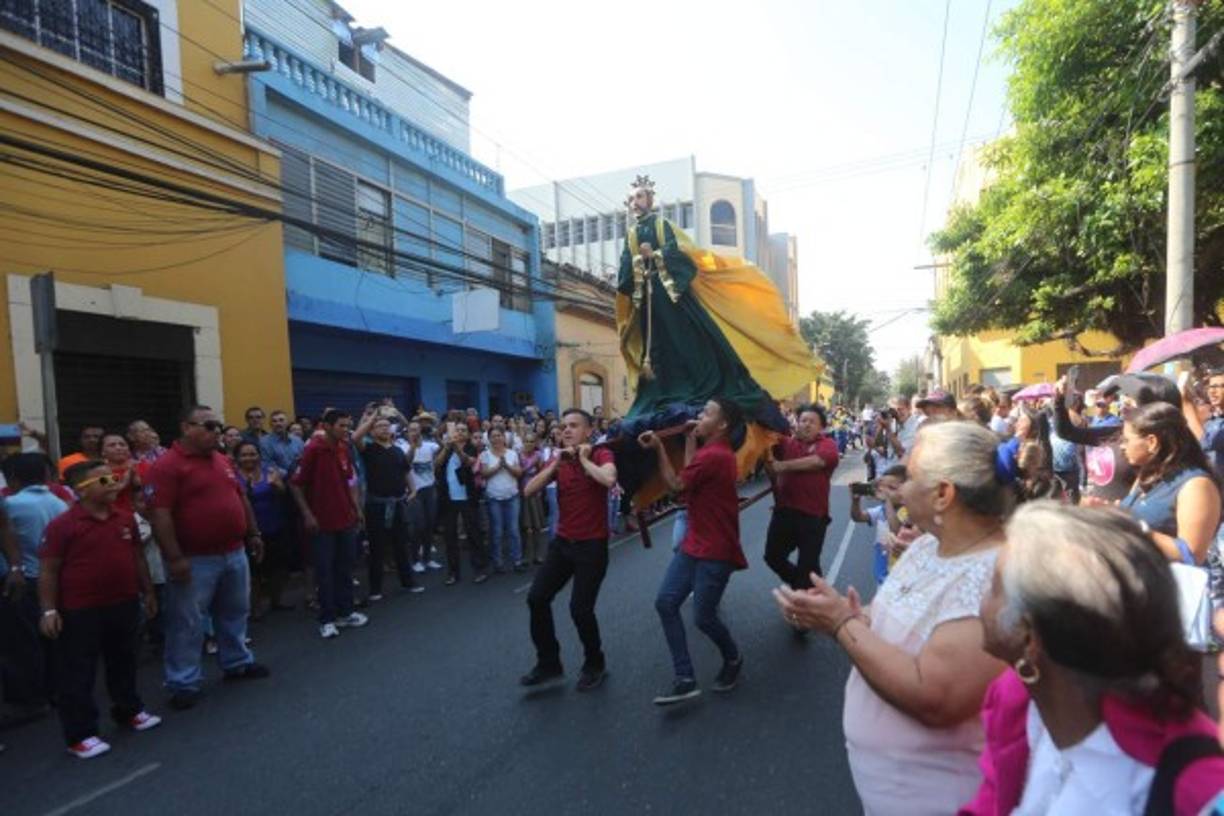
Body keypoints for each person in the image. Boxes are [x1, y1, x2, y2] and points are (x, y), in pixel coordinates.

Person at [773, 421, 1010, 814]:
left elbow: (935, 697)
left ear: (943, 494)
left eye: (911, 476)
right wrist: (845, 612)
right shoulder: (926, 546)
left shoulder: (996, 576)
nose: (899, 485)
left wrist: (841, 624)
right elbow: (891, 617)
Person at [965, 503, 1224, 814]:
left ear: (1029, 638)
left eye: (994, 587)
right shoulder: (1017, 700)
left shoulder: (1187, 784)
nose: (982, 599)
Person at [146, 406, 270, 709]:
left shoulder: (222, 459)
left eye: (219, 426)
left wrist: (253, 532)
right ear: (186, 427)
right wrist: (174, 558)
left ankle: (236, 661)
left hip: (233, 551)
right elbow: (160, 514)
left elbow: (239, 497)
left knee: (234, 611)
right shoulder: (167, 466)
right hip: (195, 557)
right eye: (209, 426)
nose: (217, 432)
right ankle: (183, 681)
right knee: (187, 621)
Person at [38, 460, 161, 759]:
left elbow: (137, 556)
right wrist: (49, 610)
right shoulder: (63, 525)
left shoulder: (125, 518)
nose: (113, 483)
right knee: (78, 672)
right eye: (103, 480)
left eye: (113, 477)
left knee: (124, 659)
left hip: (123, 601)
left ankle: (129, 709)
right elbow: (49, 569)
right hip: (80, 608)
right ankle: (80, 734)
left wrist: (147, 591)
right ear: (81, 490)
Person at [640, 399, 747, 705]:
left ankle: (733, 657)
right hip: (695, 542)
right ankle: (685, 677)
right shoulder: (711, 452)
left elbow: (676, 486)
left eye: (706, 413)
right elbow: (690, 476)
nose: (698, 416)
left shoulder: (715, 455)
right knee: (666, 603)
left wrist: (659, 447)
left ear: (722, 424)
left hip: (716, 548)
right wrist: (689, 438)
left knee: (703, 617)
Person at [520, 409, 617, 692]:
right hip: (563, 544)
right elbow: (528, 490)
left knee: (580, 610)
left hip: (592, 546)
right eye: (563, 426)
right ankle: (549, 664)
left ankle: (595, 664)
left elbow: (608, 480)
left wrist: (584, 459)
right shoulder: (558, 459)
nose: (566, 430)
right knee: (537, 598)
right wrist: (554, 467)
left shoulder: (601, 453)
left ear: (589, 431)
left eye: (574, 426)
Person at [290, 409, 369, 638]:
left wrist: (356, 509)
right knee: (325, 572)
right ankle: (327, 619)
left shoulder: (344, 448)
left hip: (345, 519)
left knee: (345, 568)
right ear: (327, 426)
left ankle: (346, 612)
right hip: (322, 523)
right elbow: (296, 484)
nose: (346, 430)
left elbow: (350, 481)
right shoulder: (314, 450)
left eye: (348, 425)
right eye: (341, 426)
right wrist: (308, 514)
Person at [0, 453, 67, 719]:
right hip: (56, 576)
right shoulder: (60, 502)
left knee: (25, 641)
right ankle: (56, 689)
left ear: (13, 479)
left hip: (27, 578)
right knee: (54, 636)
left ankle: (32, 696)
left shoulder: (12, 504)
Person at [1119, 402, 1220, 566]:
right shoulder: (1148, 476)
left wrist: (1132, 527)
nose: (1122, 446)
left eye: (1127, 440)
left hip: (1167, 581)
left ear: (1151, 442)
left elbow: (1192, 554)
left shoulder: (1196, 485)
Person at [763, 404, 840, 592]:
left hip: (813, 517)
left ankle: (806, 590)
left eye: (812, 422)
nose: (806, 424)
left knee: (809, 566)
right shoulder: (786, 443)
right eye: (803, 420)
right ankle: (804, 585)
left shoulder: (828, 444)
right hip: (784, 513)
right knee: (772, 557)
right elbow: (766, 439)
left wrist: (782, 466)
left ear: (821, 427)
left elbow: (817, 461)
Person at [353, 410, 421, 600]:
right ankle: (375, 590)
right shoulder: (368, 448)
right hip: (377, 505)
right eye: (379, 426)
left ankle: (408, 583)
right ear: (372, 431)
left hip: (398, 503)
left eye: (386, 425)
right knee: (377, 548)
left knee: (401, 545)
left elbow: (406, 469)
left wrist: (412, 489)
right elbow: (355, 437)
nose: (384, 428)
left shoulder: (397, 450)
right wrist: (371, 418)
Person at [233, 442, 291, 616]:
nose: (249, 458)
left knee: (278, 567)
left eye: (252, 454)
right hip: (250, 531)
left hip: (275, 525)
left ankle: (276, 600)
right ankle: (255, 607)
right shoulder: (234, 476)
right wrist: (247, 491)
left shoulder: (270, 471)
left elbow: (283, 493)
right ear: (237, 458)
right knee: (254, 571)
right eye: (244, 455)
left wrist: (276, 485)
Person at [437, 424, 490, 586]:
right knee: (450, 536)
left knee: (473, 533)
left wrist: (457, 449)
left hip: (468, 497)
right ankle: (453, 572)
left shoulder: (471, 448)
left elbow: (468, 462)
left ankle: (479, 569)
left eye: (463, 430)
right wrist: (447, 448)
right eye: (457, 430)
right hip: (448, 498)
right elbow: (437, 464)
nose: (460, 433)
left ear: (468, 434)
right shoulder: (446, 448)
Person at [849, 464, 908, 586]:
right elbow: (858, 517)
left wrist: (887, 500)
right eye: (883, 487)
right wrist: (855, 501)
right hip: (881, 572)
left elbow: (896, 529)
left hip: (899, 575)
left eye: (892, 488)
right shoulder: (881, 510)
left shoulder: (908, 513)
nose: (885, 491)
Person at [398, 420, 442, 573]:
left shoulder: (430, 446)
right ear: (407, 433)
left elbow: (443, 448)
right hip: (414, 491)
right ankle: (415, 559)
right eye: (411, 430)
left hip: (430, 489)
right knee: (417, 527)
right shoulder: (402, 447)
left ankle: (428, 558)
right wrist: (413, 446)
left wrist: (438, 436)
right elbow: (405, 463)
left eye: (417, 429)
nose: (415, 432)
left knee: (430, 525)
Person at [481, 427, 524, 573]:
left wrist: (507, 466)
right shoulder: (485, 454)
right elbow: (484, 473)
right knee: (497, 532)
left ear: (504, 438)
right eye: (493, 436)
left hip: (512, 496)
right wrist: (498, 466)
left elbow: (519, 473)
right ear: (489, 439)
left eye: (499, 435)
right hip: (494, 497)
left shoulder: (512, 453)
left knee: (514, 530)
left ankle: (517, 560)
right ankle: (498, 563)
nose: (496, 438)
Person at [518, 433, 549, 566]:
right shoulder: (518, 455)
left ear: (535, 443)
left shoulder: (539, 455)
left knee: (537, 526)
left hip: (535, 492)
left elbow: (543, 474)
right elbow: (518, 474)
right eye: (526, 441)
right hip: (522, 492)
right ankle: (525, 555)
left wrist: (541, 489)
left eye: (531, 441)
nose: (529, 444)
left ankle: (537, 554)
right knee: (524, 526)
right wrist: (531, 465)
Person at [260, 410, 305, 477]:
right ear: (270, 425)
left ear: (287, 422)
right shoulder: (264, 442)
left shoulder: (298, 440)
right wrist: (289, 475)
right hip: (278, 479)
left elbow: (303, 459)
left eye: (281, 420)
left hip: (299, 478)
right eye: (274, 421)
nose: (278, 423)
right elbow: (267, 464)